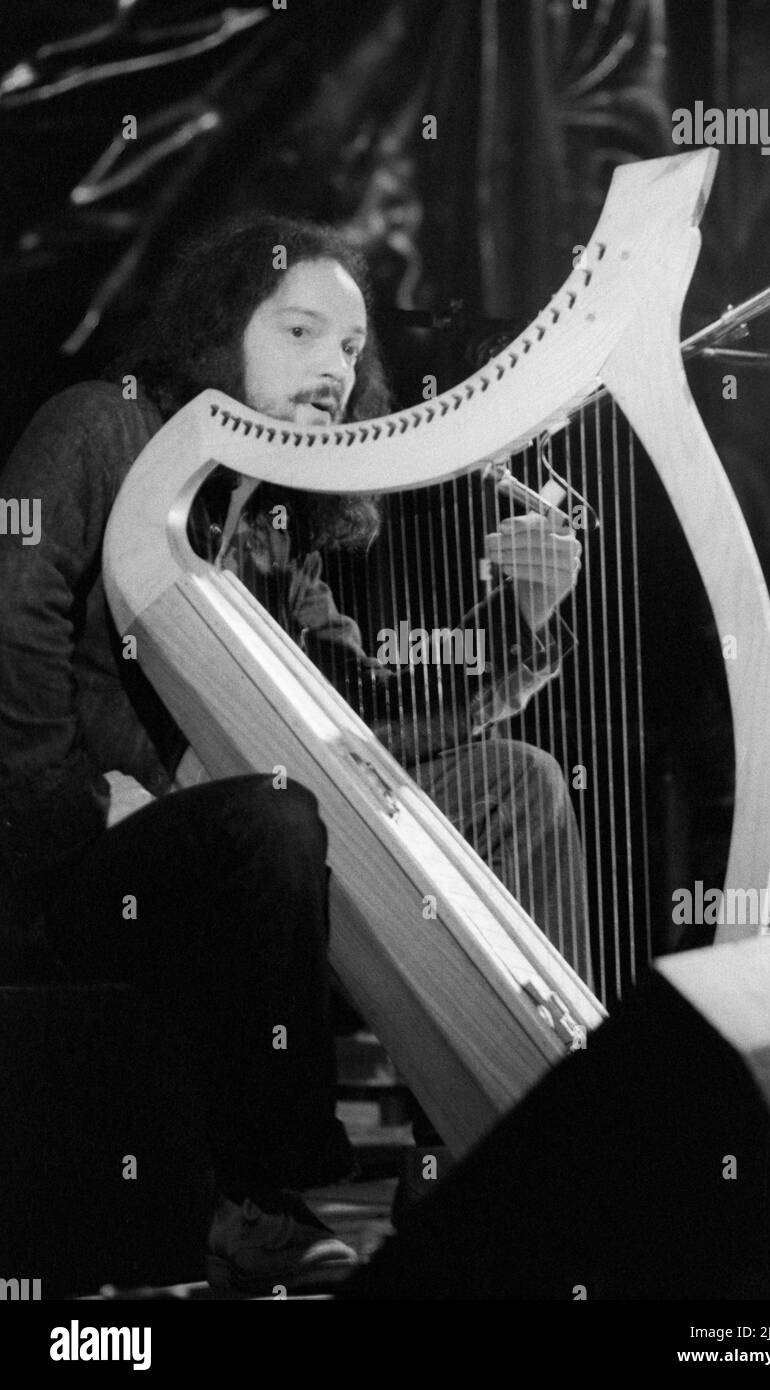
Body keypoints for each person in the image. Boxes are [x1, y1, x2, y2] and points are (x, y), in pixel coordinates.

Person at [0, 215, 587, 1294]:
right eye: (304, 331)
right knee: (272, 810)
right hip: (93, 856)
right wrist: (75, 803)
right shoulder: (97, 428)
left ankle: (482, 1159)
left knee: (521, 783)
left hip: (266, 849)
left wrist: (521, 627)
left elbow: (355, 728)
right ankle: (253, 1195)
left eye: (352, 349)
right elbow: (12, 614)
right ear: (222, 333)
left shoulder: (274, 515)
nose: (335, 368)